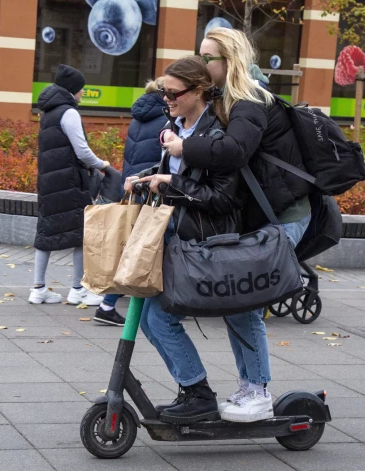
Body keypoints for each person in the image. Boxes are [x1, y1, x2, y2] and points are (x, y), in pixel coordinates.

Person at [161, 28, 312, 423]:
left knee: (242, 303)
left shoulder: (251, 98)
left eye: (208, 57)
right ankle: (251, 387)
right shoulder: (229, 99)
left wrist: (182, 146)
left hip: (284, 216)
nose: (202, 62)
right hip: (259, 214)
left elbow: (233, 151)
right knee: (237, 303)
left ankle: (258, 392)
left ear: (229, 60)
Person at [123, 55, 246, 425]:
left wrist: (172, 185)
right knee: (146, 320)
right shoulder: (177, 126)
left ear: (198, 92)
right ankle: (193, 391)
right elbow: (173, 174)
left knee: (159, 320)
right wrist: (146, 176)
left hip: (199, 244)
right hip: (172, 238)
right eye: (164, 92)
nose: (167, 100)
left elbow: (223, 198)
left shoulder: (214, 136)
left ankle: (198, 393)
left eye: (174, 93)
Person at [29, 64, 107, 307]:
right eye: (82, 89)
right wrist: (102, 164)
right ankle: (78, 290)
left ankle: (38, 289)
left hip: (49, 180)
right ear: (73, 89)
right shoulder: (69, 112)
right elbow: (81, 151)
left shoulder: (48, 112)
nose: (83, 93)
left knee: (45, 233)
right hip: (71, 182)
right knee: (81, 235)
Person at [94, 77, 168, 327]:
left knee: (135, 246)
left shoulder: (139, 117)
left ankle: (108, 304)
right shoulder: (166, 119)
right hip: (153, 188)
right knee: (143, 248)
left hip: (134, 185)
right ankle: (109, 304)